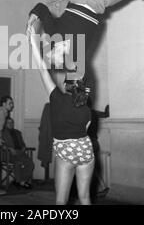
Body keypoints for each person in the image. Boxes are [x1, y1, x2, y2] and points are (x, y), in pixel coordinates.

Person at [28, 18, 94, 205]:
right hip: (85, 149)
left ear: (66, 84)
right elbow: (86, 128)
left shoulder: (56, 99)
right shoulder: (86, 109)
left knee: (61, 201)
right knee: (85, 197)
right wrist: (68, 53)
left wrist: (33, 40)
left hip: (66, 150)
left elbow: (42, 68)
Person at [2, 117, 34, 189]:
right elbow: (1, 145)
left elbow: (22, 144)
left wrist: (23, 147)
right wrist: (9, 148)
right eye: (8, 123)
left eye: (12, 122)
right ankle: (20, 182)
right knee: (18, 163)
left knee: (30, 164)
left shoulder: (18, 132)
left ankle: (21, 181)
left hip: (20, 153)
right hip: (9, 154)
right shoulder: (2, 133)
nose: (10, 124)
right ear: (5, 124)